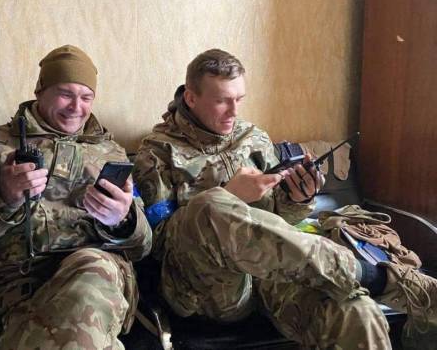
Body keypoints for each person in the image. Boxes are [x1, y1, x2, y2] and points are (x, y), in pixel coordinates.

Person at [133, 49, 436, 349]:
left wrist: (297, 198)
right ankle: (378, 278)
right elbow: (159, 243)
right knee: (208, 207)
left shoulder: (253, 137)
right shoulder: (157, 153)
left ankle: (381, 284)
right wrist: (230, 195)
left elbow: (280, 220)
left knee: (356, 311)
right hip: (209, 287)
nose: (234, 112)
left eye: (239, 99)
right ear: (191, 98)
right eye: (222, 101)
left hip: (272, 276)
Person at [0, 45, 152, 350]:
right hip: (9, 299)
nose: (76, 107)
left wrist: (123, 221)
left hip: (98, 289)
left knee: (94, 268)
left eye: (86, 97)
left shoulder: (111, 154)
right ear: (40, 90)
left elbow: (143, 247)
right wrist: (2, 201)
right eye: (65, 94)